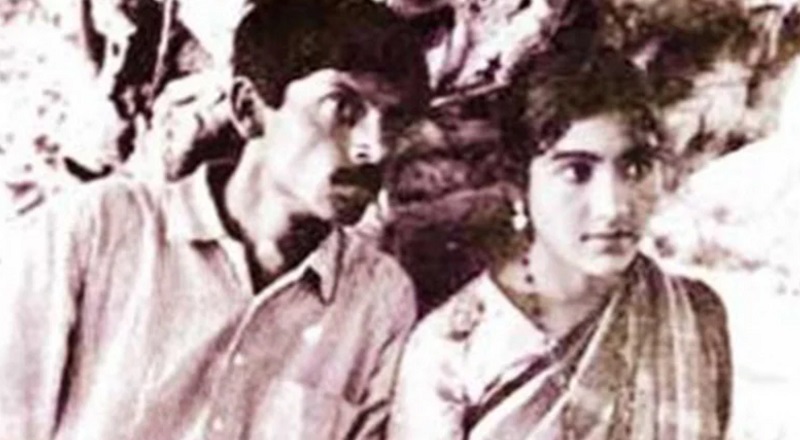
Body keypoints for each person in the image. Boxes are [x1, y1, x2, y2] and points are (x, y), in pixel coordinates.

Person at [0, 1, 429, 439]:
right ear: (248, 109)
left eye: (395, 123)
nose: (375, 148)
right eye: (342, 108)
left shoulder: (378, 299)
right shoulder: (98, 230)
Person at [388, 48, 731, 439]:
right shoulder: (452, 351)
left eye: (635, 167)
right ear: (518, 183)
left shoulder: (693, 314)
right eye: (576, 172)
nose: (613, 206)